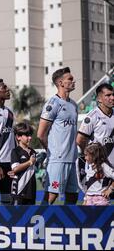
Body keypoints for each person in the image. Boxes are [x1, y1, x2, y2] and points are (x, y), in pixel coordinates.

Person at [37, 67, 79, 205]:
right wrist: (52, 151)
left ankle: (69, 225)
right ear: (61, 83)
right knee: (52, 195)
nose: (74, 81)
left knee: (73, 195)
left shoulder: (73, 104)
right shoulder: (53, 103)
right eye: (70, 79)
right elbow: (41, 134)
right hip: (57, 159)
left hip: (72, 158)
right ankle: (39, 224)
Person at [77, 83, 114, 164]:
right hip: (98, 168)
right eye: (108, 95)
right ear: (99, 99)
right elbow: (80, 140)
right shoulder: (92, 117)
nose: (112, 97)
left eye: (113, 94)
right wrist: (91, 157)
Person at [10, 122, 37, 205]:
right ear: (18, 137)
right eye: (27, 135)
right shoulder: (15, 152)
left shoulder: (33, 152)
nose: (30, 138)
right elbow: (15, 169)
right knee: (16, 216)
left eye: (30, 135)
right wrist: (29, 162)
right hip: (19, 190)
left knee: (30, 216)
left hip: (31, 191)